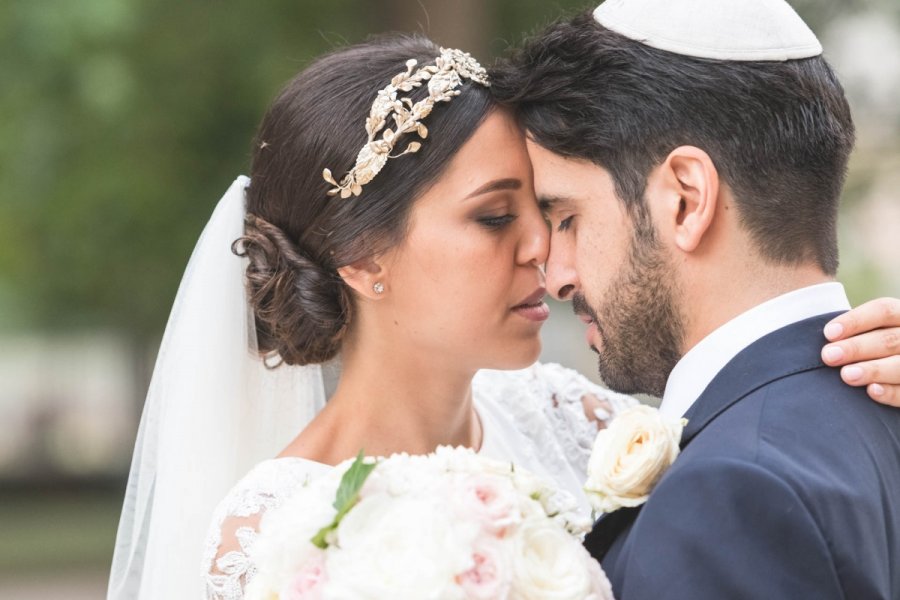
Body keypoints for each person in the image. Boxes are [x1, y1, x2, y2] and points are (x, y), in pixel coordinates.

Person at [107, 31, 900, 600]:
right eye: (495, 218)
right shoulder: (274, 535)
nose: (547, 261)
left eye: (555, 215)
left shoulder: (579, 420)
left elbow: (796, 475)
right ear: (361, 258)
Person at [491, 0, 900, 597]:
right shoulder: (875, 419)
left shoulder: (731, 493)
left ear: (685, 199)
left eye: (568, 218)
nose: (556, 278)